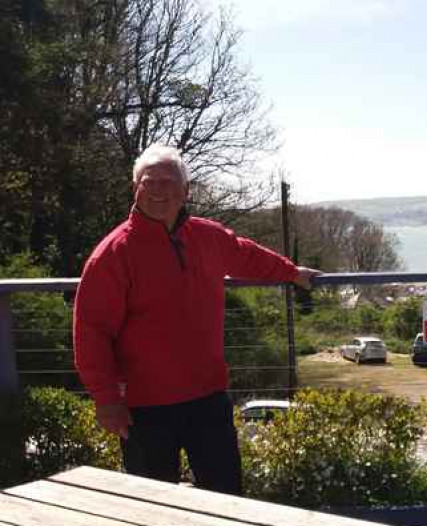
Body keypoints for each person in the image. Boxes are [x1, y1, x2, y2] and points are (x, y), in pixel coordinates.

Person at [73, 145, 320, 495]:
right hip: (144, 408)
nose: (159, 189)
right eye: (149, 181)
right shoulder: (113, 254)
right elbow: (91, 333)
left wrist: (292, 272)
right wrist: (107, 400)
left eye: (169, 181)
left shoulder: (207, 236)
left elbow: (245, 255)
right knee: (154, 506)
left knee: (226, 497)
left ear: (186, 190)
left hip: (208, 397)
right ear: (135, 189)